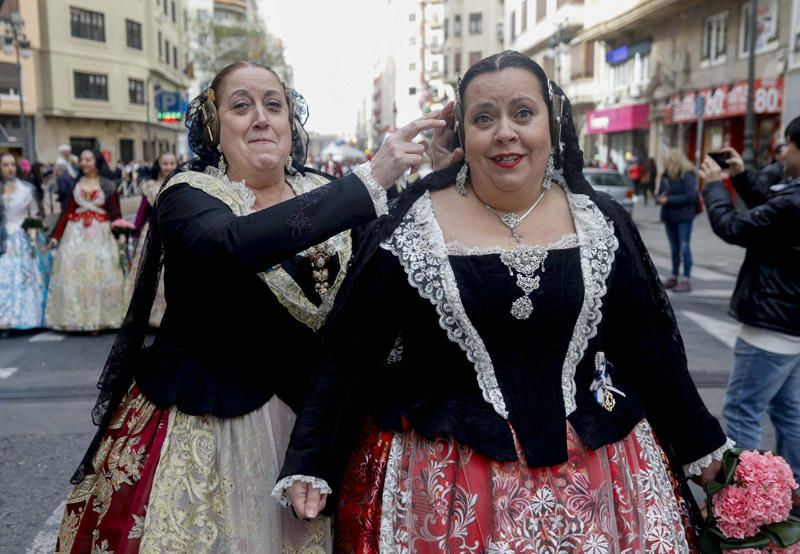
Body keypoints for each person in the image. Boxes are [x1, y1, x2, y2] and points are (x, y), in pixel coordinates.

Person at [278, 51, 731, 552]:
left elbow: (649, 345)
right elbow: (351, 350)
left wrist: (702, 443)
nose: (505, 133)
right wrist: (310, 458)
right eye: (484, 118)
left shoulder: (599, 220)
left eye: (523, 113)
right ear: (462, 133)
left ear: (552, 124)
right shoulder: (412, 226)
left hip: (604, 478)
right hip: (447, 484)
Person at [55, 61, 445, 553]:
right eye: (241, 106)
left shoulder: (326, 190)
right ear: (215, 128)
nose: (261, 118)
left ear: (289, 123)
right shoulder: (189, 195)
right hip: (209, 427)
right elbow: (232, 243)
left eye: (273, 105)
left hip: (318, 430)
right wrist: (370, 180)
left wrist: (450, 177)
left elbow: (397, 282)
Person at [698, 118, 800, 512]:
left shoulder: (794, 201)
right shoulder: (792, 199)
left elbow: (734, 226)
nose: (783, 153)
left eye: (789, 145)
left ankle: (750, 503)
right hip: (790, 327)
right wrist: (741, 179)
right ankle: (792, 492)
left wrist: (712, 187)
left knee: (743, 409)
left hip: (769, 329)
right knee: (787, 411)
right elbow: (774, 213)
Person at [45, 149, 126, 331]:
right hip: (75, 235)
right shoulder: (76, 184)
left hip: (102, 235)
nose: (84, 163)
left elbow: (116, 214)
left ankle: (103, 318)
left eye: (88, 159)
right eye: (82, 159)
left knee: (103, 272)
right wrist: (55, 237)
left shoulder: (108, 185)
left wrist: (121, 233)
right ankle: (75, 318)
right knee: (74, 273)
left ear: (96, 162)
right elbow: (66, 213)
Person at [122, 151, 178, 327]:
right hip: (153, 233)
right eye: (165, 163)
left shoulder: (183, 183)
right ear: (158, 165)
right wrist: (134, 232)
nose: (168, 166)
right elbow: (142, 212)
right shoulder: (149, 186)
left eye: (171, 163)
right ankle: (149, 315)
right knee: (150, 272)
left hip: (175, 233)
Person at [0, 153, 46, 330]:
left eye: (12, 164)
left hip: (22, 238)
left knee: (25, 278)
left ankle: (24, 318)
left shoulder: (26, 189)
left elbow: (34, 212)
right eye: (5, 165)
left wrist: (34, 226)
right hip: (3, 237)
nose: (10, 168)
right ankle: (4, 320)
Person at [657, 149, 698, 293]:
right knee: (674, 249)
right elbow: (660, 193)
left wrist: (669, 199)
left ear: (673, 160)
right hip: (670, 216)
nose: (664, 163)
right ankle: (674, 276)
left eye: (666, 160)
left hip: (684, 216)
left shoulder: (687, 174)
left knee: (684, 247)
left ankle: (686, 279)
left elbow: (690, 196)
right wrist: (659, 198)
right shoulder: (666, 174)